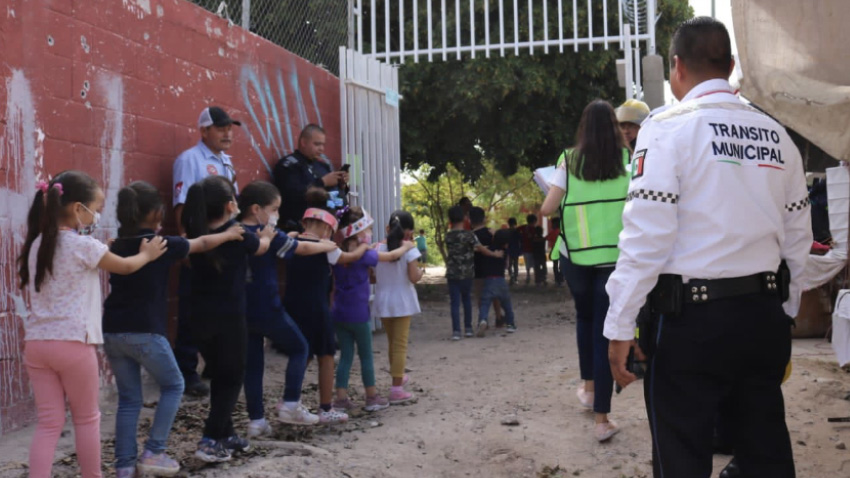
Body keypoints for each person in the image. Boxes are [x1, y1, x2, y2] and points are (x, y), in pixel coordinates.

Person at [604, 17, 810, 478]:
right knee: (765, 455)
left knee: (682, 457)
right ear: (731, 66)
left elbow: (646, 238)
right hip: (762, 318)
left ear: (676, 68)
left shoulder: (666, 129)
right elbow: (798, 237)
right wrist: (786, 311)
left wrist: (619, 325)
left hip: (690, 325)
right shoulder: (777, 135)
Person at [17, 171, 167, 478]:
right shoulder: (83, 246)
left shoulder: (36, 245)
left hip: (37, 345)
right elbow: (125, 267)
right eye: (95, 208)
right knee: (87, 419)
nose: (97, 215)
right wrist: (147, 254)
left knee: (49, 423)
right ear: (77, 209)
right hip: (73, 344)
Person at [103, 181, 244, 477]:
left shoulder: (116, 245)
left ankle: (125, 466)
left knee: (129, 400)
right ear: (156, 213)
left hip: (113, 332)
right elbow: (202, 244)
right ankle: (154, 451)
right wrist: (230, 233)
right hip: (146, 332)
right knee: (175, 385)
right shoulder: (161, 244)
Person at [540, 99, 632, 442]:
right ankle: (602, 420)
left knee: (585, 319)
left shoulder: (568, 160)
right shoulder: (629, 160)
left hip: (576, 258)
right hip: (616, 260)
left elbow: (548, 208)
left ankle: (590, 389)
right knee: (605, 332)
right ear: (614, 126)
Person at [181, 175, 275, 462]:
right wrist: (269, 232)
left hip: (200, 320)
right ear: (229, 204)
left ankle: (227, 434)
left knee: (221, 375)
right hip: (230, 320)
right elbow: (260, 248)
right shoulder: (237, 235)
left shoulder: (197, 238)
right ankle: (209, 439)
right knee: (232, 377)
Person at [237, 181, 340, 437]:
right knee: (300, 347)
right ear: (256, 209)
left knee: (253, 367)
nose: (277, 215)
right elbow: (303, 248)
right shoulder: (267, 234)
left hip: (242, 310)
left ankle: (257, 421)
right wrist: (326, 246)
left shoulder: (235, 231)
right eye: (275, 209)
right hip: (268, 307)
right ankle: (291, 403)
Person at [172, 106, 242, 397]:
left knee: (221, 305)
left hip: (223, 244)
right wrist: (186, 244)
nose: (227, 133)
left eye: (230, 128)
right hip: (200, 246)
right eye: (221, 127)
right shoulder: (190, 160)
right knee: (192, 310)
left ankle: (213, 364)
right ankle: (186, 370)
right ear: (204, 131)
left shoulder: (226, 162)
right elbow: (181, 204)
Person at [283, 188, 369, 424]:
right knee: (327, 355)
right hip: (317, 307)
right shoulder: (328, 248)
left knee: (303, 353)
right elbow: (348, 259)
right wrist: (363, 247)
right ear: (328, 228)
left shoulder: (291, 241)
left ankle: (290, 400)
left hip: (292, 305)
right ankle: (325, 407)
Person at [332, 207, 415, 411]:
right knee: (366, 356)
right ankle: (371, 397)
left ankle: (340, 399)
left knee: (346, 357)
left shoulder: (336, 254)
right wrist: (406, 248)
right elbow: (391, 256)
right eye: (367, 230)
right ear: (358, 234)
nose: (370, 234)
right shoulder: (365, 255)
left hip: (339, 313)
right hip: (359, 316)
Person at [373, 210, 424, 403]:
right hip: (403, 301)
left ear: (388, 228)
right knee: (400, 345)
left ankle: (398, 376)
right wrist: (420, 274)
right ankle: (396, 388)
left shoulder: (377, 248)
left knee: (392, 342)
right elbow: (413, 277)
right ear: (408, 233)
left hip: (383, 300)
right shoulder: (409, 249)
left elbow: (372, 275)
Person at [273, 124, 348, 232]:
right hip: (298, 229)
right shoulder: (289, 165)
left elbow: (336, 200)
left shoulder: (323, 166)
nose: (321, 149)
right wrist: (322, 182)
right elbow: (292, 196)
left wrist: (341, 185)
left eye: (323, 145)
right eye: (317, 144)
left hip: (324, 228)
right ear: (304, 142)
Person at [445, 206, 503, 340]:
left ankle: (456, 331)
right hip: (467, 274)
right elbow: (482, 249)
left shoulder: (448, 236)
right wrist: (495, 253)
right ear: (465, 218)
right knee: (466, 300)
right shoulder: (469, 235)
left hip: (452, 274)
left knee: (454, 302)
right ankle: (468, 329)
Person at [470, 207, 505, 332]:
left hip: (478, 270)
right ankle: (499, 317)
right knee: (494, 295)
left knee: (481, 297)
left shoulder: (470, 236)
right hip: (492, 270)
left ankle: (483, 319)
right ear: (484, 219)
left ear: (470, 220)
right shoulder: (491, 233)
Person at [477, 228, 516, 336]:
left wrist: (494, 236)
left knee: (485, 303)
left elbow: (479, 249)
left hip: (489, 280)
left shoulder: (488, 249)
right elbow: (507, 265)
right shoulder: (504, 251)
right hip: (501, 280)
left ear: (494, 238)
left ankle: (483, 320)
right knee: (507, 304)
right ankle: (510, 324)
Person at [517, 214, 538, 284]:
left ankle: (528, 276)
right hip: (533, 249)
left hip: (524, 248)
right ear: (534, 221)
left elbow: (516, 230)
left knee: (527, 263)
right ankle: (536, 277)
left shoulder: (523, 227)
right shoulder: (535, 229)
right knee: (534, 263)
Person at [547, 218, 564, 286]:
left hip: (555, 251)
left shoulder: (553, 232)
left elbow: (546, 238)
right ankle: (561, 279)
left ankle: (557, 280)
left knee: (555, 266)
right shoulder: (561, 231)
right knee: (561, 266)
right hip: (562, 251)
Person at [507, 218, 521, 285]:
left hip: (509, 249)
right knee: (515, 264)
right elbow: (520, 241)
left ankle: (511, 276)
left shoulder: (507, 231)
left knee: (510, 264)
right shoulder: (517, 231)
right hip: (516, 249)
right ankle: (515, 278)